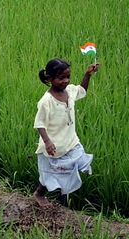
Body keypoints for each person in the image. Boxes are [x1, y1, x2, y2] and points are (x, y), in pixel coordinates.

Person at [33, 58, 100, 207]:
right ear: (49, 79)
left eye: (68, 77)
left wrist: (87, 75)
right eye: (61, 77)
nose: (66, 81)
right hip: (54, 145)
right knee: (50, 172)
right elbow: (39, 123)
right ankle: (39, 193)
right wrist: (47, 142)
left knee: (75, 165)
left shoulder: (69, 92)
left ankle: (64, 198)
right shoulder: (46, 101)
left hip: (70, 141)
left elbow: (82, 90)